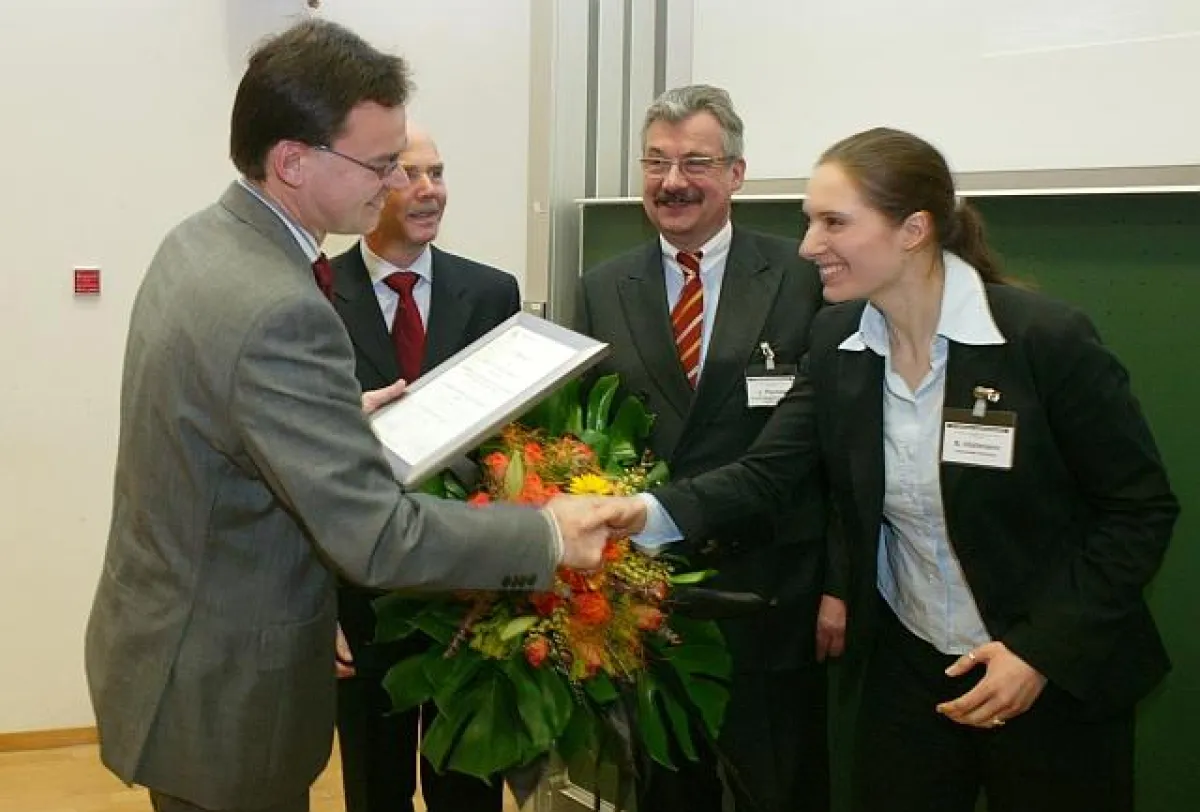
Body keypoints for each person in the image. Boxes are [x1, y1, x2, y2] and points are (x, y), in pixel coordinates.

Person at [84, 20, 617, 812]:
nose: (395, 182)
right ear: (293, 160)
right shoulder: (277, 308)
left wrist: (334, 416)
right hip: (225, 690)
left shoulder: (200, 242)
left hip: (175, 654)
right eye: (379, 163)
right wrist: (548, 535)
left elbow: (221, 421)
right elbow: (376, 536)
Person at [613, 126, 1179, 812]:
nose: (808, 246)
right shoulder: (840, 342)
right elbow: (767, 473)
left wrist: (1040, 653)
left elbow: (1138, 511)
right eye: (808, 222)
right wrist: (635, 518)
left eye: (833, 223)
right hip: (910, 670)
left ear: (913, 230)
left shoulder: (1042, 340)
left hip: (1050, 673)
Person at [576, 84, 840, 812]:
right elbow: (587, 437)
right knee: (666, 787)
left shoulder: (804, 274)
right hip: (651, 595)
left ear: (736, 173)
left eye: (696, 162)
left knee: (780, 785)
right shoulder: (601, 288)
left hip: (776, 586)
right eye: (655, 162)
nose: (672, 183)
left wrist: (840, 582)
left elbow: (841, 450)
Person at [330, 124, 516, 812]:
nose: (430, 189)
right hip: (364, 590)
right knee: (374, 790)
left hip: (468, 595)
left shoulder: (492, 292)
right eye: (410, 174)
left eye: (438, 172)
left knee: (468, 787)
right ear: (373, 184)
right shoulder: (314, 294)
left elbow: (513, 443)